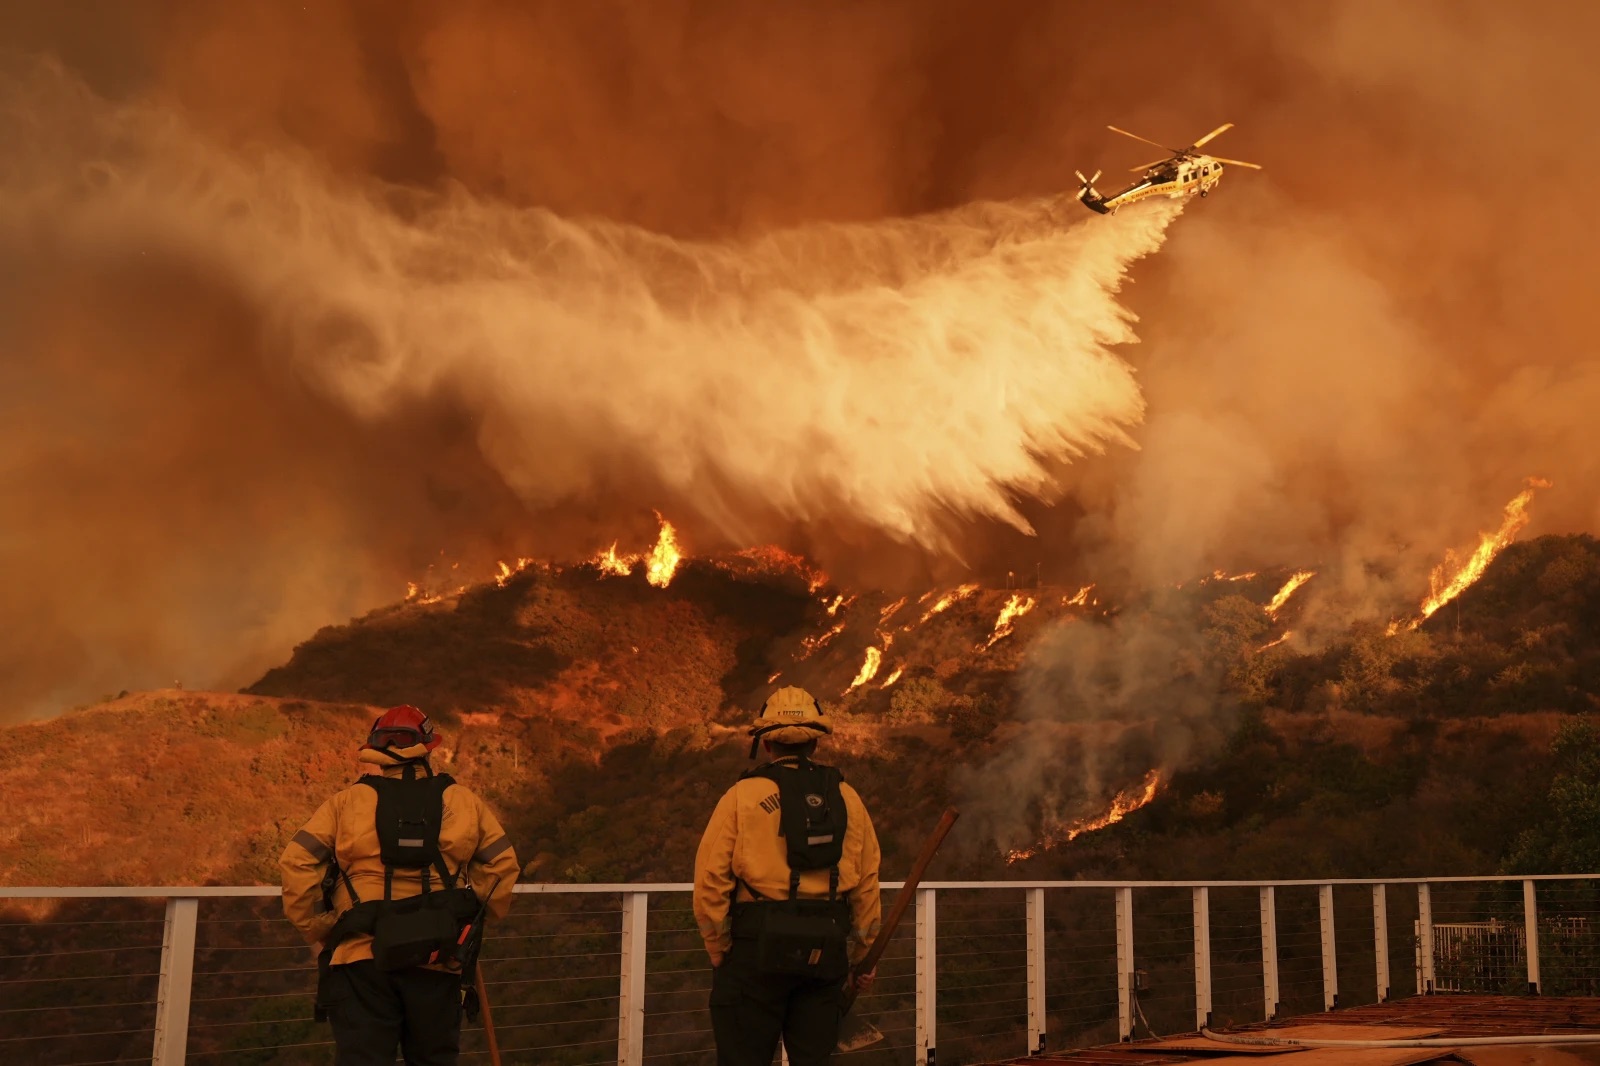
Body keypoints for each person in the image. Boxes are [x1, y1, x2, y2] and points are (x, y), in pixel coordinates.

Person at [280, 705, 520, 1066]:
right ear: (427, 745)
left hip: (361, 955)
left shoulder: (345, 803)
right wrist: (470, 917)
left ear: (375, 748)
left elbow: (296, 861)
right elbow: (502, 866)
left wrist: (321, 926)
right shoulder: (462, 802)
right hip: (438, 956)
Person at [694, 686, 883, 1066]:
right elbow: (866, 884)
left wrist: (718, 949)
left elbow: (710, 882)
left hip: (753, 953)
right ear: (816, 742)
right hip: (824, 954)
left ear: (765, 744)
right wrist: (863, 957)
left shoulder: (741, 797)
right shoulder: (848, 798)